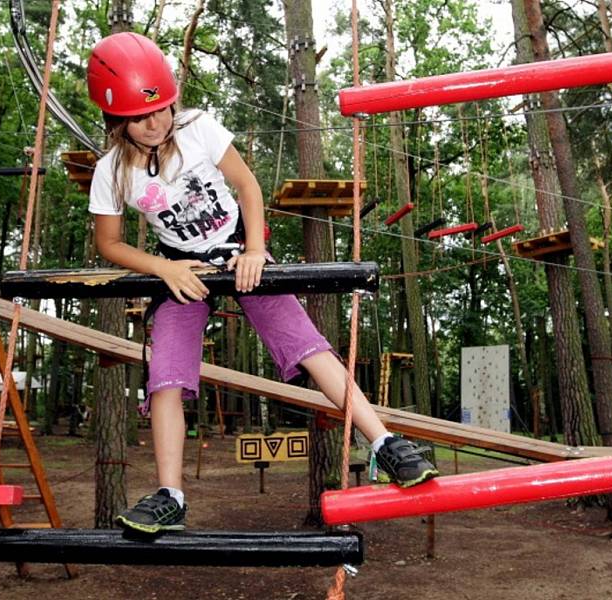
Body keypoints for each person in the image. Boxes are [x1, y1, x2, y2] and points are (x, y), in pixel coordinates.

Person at [86, 32, 438, 534]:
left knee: (305, 342)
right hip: (180, 268)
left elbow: (247, 185)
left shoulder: (198, 129)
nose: (156, 122)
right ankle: (170, 494)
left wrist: (254, 249)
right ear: (116, 119)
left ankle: (383, 441)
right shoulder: (112, 170)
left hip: (237, 248)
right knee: (166, 371)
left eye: (163, 109)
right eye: (142, 117)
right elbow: (110, 244)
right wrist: (165, 270)